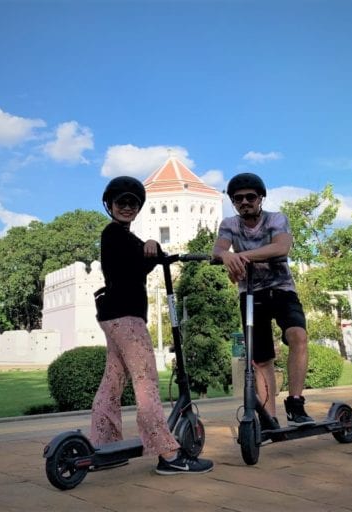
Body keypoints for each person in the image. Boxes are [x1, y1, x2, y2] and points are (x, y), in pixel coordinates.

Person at [90, 176, 214, 475]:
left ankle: (105, 445)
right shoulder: (115, 234)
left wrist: (152, 246)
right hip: (127, 319)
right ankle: (168, 453)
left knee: (113, 380)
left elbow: (141, 261)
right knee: (146, 383)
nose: (127, 207)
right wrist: (153, 246)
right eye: (121, 202)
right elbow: (142, 257)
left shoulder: (122, 237)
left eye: (133, 202)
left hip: (115, 317)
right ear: (110, 205)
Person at [212, 172, 315, 429]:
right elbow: (218, 250)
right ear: (233, 202)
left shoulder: (276, 219)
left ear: (260, 198)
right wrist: (225, 256)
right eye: (238, 199)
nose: (244, 202)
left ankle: (296, 402)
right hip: (250, 295)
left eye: (250, 197)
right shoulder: (229, 224)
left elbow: (281, 247)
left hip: (281, 290)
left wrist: (238, 256)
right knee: (261, 358)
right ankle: (269, 417)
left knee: (298, 336)